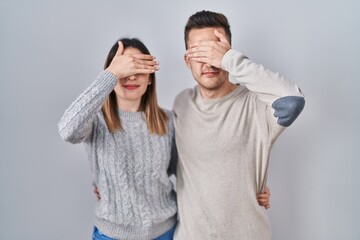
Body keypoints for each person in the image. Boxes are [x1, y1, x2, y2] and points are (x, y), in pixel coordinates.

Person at [172, 10, 305, 240]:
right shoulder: (182, 103)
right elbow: (165, 163)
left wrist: (230, 59)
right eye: (200, 53)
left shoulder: (257, 104)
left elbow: (292, 100)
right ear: (187, 60)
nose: (209, 62)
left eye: (214, 51)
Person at [58, 38, 178, 240]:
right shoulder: (95, 121)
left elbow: (189, 174)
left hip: (165, 232)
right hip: (112, 235)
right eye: (124, 69)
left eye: (138, 68)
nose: (131, 77)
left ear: (150, 77)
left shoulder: (169, 121)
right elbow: (68, 130)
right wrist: (111, 75)